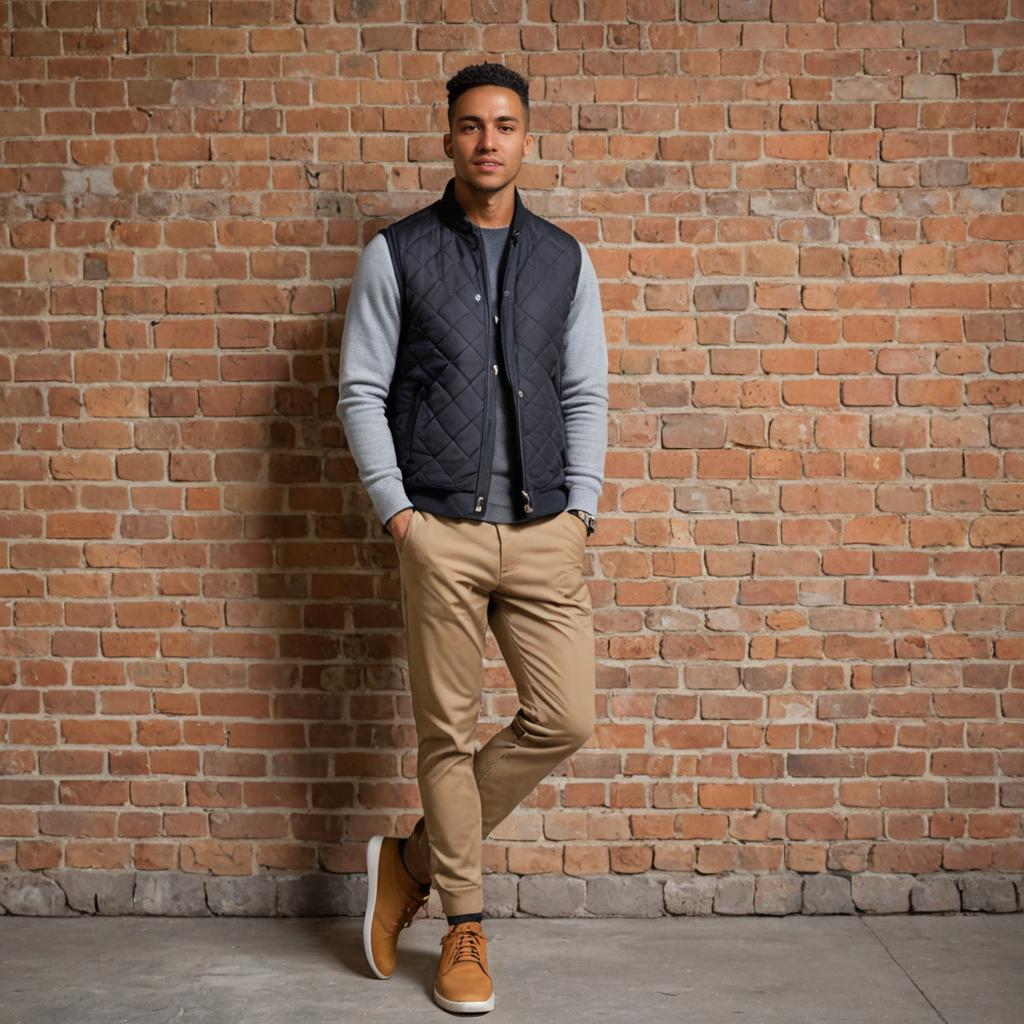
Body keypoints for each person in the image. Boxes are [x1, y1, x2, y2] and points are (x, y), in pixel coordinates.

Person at [336, 60, 608, 1014]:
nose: (488, 140)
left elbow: (585, 392)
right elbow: (360, 388)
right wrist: (399, 516)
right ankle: (464, 926)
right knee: (445, 735)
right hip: (439, 531)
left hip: (544, 534)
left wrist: (583, 512)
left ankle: (408, 860)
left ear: (528, 139)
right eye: (470, 125)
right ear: (448, 138)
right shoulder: (398, 252)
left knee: (564, 716)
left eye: (505, 125)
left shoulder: (564, 259)